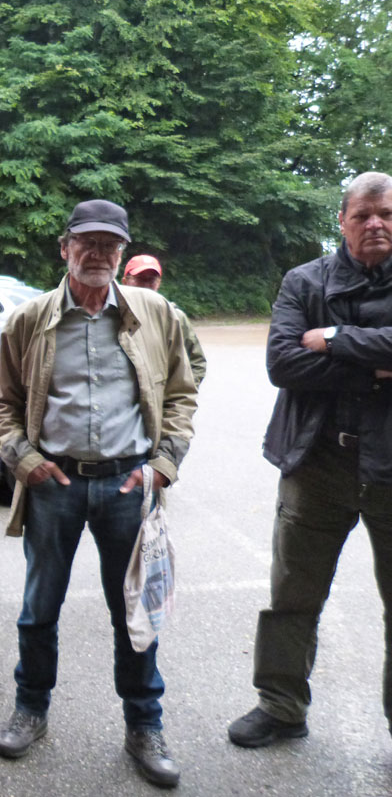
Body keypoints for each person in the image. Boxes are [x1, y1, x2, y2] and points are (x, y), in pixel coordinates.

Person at [0, 199, 197, 788]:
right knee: (38, 608)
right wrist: (22, 459)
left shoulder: (155, 313)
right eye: (89, 242)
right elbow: (0, 404)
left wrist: (163, 464)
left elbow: (182, 392)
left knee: (136, 610)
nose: (99, 254)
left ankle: (143, 724)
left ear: (123, 252)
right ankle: (31, 708)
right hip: (54, 483)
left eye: (111, 245)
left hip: (130, 483)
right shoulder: (29, 320)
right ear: (65, 247)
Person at [226, 171, 392, 750]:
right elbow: (283, 364)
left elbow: (311, 357)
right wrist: (378, 359)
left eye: (387, 214)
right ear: (342, 221)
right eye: (363, 215)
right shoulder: (305, 280)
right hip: (317, 463)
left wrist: (337, 338)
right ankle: (281, 705)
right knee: (292, 595)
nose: (376, 224)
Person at [122, 254, 207, 388]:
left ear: (159, 283)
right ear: (125, 282)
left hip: (161, 402)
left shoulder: (175, 317)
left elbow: (196, 363)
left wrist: (180, 399)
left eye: (151, 280)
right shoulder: (113, 315)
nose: (146, 285)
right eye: (140, 279)